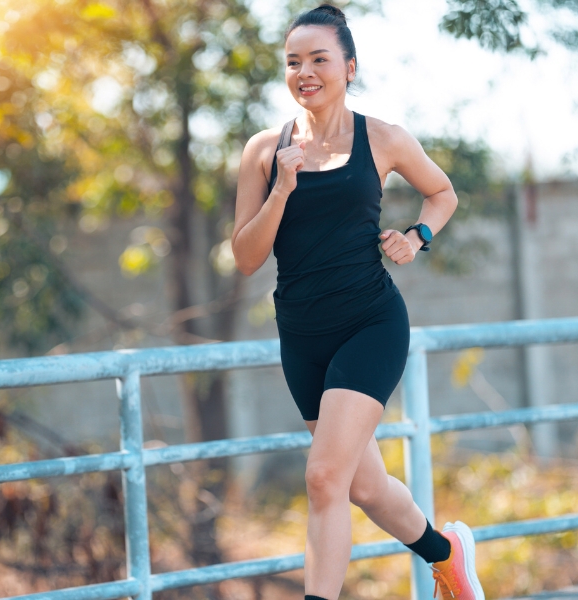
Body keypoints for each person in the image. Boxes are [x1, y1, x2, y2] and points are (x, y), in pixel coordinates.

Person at [230, 4, 485, 600]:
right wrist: (282, 190)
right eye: (293, 62)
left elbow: (442, 192)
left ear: (350, 67)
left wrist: (417, 236)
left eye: (319, 59)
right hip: (302, 335)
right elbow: (245, 256)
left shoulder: (385, 139)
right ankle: (447, 556)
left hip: (370, 323)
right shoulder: (265, 152)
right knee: (365, 488)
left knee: (324, 478)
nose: (305, 72)